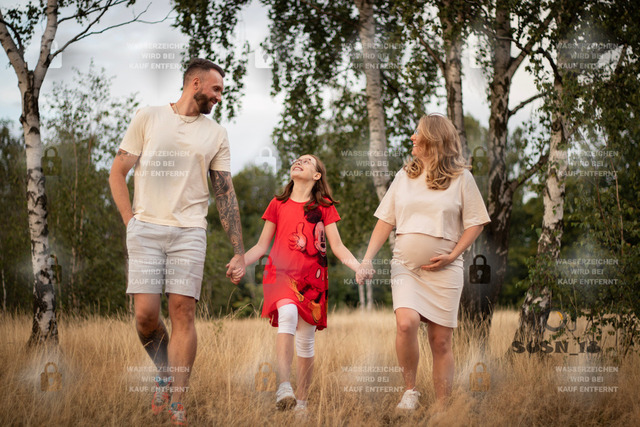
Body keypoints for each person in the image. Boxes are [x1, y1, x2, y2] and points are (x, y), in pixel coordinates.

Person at [109, 58, 246, 426]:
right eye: (216, 89)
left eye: (221, 92)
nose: (219, 97)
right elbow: (118, 172)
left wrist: (239, 250)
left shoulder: (216, 133)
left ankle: (178, 404)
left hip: (190, 232)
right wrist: (130, 221)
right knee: (145, 316)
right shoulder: (149, 116)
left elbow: (225, 193)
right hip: (146, 228)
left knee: (183, 313)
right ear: (195, 83)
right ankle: (164, 373)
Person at [356, 114, 490, 412]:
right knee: (406, 324)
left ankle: (443, 408)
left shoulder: (461, 178)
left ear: (434, 139)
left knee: (440, 341)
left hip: (446, 270)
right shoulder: (404, 176)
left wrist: (453, 255)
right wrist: (366, 260)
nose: (412, 138)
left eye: (418, 133)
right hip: (406, 266)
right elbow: (385, 220)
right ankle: (410, 391)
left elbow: (476, 222)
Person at [244, 154, 359, 412]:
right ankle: (284, 385)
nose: (299, 161)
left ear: (317, 175)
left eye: (307, 161)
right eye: (297, 159)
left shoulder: (325, 207)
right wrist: (241, 262)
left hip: (313, 280)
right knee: (287, 314)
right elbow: (261, 246)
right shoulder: (278, 203)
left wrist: (359, 267)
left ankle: (302, 404)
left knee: (306, 339)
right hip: (280, 274)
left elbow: (338, 246)